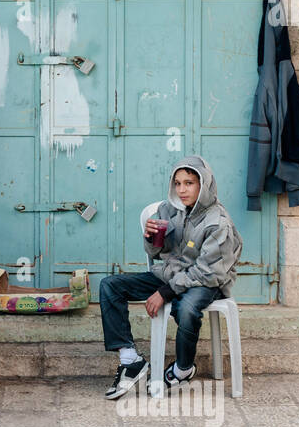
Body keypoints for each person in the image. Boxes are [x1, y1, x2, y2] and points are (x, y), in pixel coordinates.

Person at [100, 155, 242, 400]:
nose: (182, 189)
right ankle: (130, 358)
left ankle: (183, 368)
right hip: (171, 274)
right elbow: (158, 254)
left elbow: (206, 272)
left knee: (186, 308)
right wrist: (150, 239)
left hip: (206, 281)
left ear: (204, 185)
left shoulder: (218, 223)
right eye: (177, 183)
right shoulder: (168, 209)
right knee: (110, 286)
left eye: (189, 183)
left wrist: (164, 292)